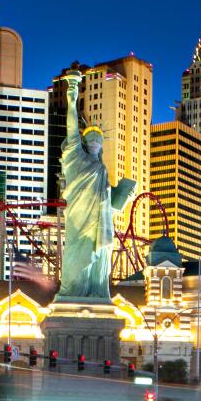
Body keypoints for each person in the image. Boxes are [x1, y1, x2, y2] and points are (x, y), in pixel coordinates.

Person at [56, 71, 136, 299]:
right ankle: (72, 292)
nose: (94, 144)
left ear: (101, 147)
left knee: (100, 257)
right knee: (76, 255)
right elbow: (72, 128)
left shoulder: (101, 170)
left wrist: (123, 198)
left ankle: (97, 292)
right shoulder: (75, 159)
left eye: (98, 143)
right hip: (79, 217)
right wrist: (72, 93)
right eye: (90, 140)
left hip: (100, 221)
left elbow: (106, 205)